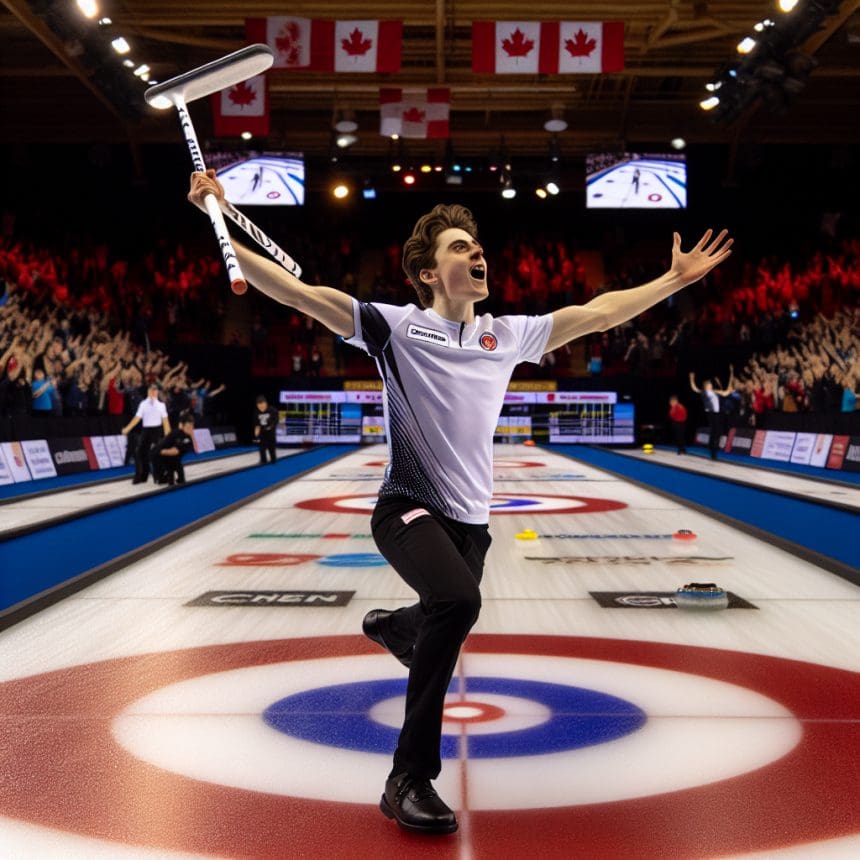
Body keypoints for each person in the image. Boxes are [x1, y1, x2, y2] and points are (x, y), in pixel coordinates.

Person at [188, 169, 733, 836]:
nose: (476, 253)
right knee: (461, 603)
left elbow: (599, 312)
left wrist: (674, 281)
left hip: (471, 528)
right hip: (406, 505)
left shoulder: (507, 335)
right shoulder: (392, 327)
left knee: (445, 611)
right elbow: (297, 292)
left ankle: (400, 630)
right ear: (425, 271)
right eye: (457, 247)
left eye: (476, 245)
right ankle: (407, 779)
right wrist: (217, 219)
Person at [121, 383, 170, 483]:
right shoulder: (143, 404)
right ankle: (142, 476)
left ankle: (160, 476)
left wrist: (168, 437)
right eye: (151, 390)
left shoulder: (161, 405)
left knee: (155, 453)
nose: (153, 392)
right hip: (146, 431)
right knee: (139, 452)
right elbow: (137, 418)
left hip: (157, 431)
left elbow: (165, 422)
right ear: (148, 392)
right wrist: (127, 429)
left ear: (157, 392)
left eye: (155, 390)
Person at [689, 373, 733, 460]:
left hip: (717, 413)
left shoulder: (715, 392)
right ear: (706, 386)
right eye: (710, 384)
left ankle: (712, 446)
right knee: (714, 431)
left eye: (711, 384)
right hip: (711, 413)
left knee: (717, 431)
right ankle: (713, 451)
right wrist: (692, 379)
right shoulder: (704, 392)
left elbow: (725, 393)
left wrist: (729, 389)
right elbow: (694, 389)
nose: (711, 385)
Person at [152, 411, 195, 485]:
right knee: (163, 479)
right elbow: (174, 452)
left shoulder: (188, 437)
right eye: (188, 427)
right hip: (158, 455)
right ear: (182, 426)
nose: (190, 429)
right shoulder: (177, 434)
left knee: (181, 478)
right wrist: (160, 452)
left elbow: (179, 452)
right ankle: (160, 476)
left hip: (171, 455)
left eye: (192, 426)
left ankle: (170, 476)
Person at [253, 395, 278, 464]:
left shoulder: (272, 410)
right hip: (262, 432)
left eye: (263, 406)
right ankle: (263, 460)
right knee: (261, 448)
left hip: (270, 432)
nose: (261, 408)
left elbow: (275, 420)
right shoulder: (256, 413)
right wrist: (256, 433)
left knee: (271, 447)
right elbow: (257, 424)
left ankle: (273, 459)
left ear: (266, 403)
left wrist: (271, 427)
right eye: (259, 406)